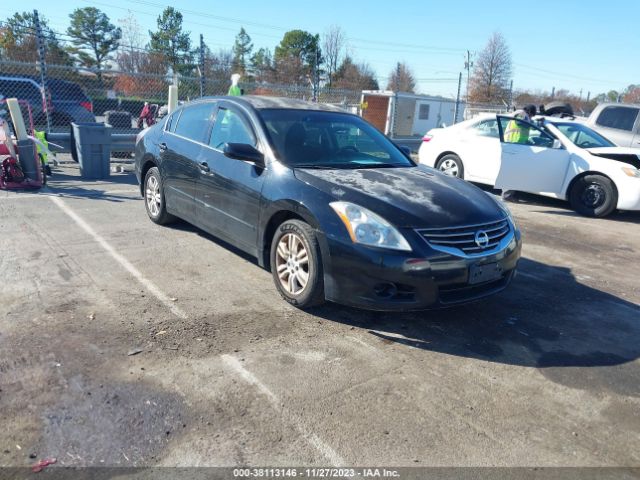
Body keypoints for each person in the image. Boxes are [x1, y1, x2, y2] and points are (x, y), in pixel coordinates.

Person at [502, 104, 536, 202]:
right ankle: (507, 195)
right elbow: (521, 123)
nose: (531, 117)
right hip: (513, 146)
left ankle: (509, 194)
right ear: (530, 111)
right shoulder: (521, 114)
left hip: (517, 146)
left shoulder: (524, 116)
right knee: (512, 172)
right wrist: (531, 122)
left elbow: (528, 126)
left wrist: (535, 123)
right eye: (532, 115)